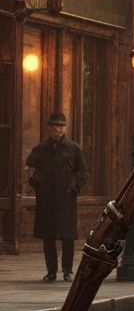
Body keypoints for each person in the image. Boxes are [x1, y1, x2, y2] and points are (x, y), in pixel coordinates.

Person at [25, 112, 89, 281]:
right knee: (48, 236)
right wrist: (39, 183)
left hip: (66, 199)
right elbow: (30, 169)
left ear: (65, 128)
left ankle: (67, 270)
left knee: (67, 237)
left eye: (60, 126)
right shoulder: (40, 149)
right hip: (46, 199)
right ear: (49, 129)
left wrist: (73, 186)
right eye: (54, 126)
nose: (57, 130)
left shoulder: (74, 149)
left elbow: (82, 171)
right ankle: (51, 272)